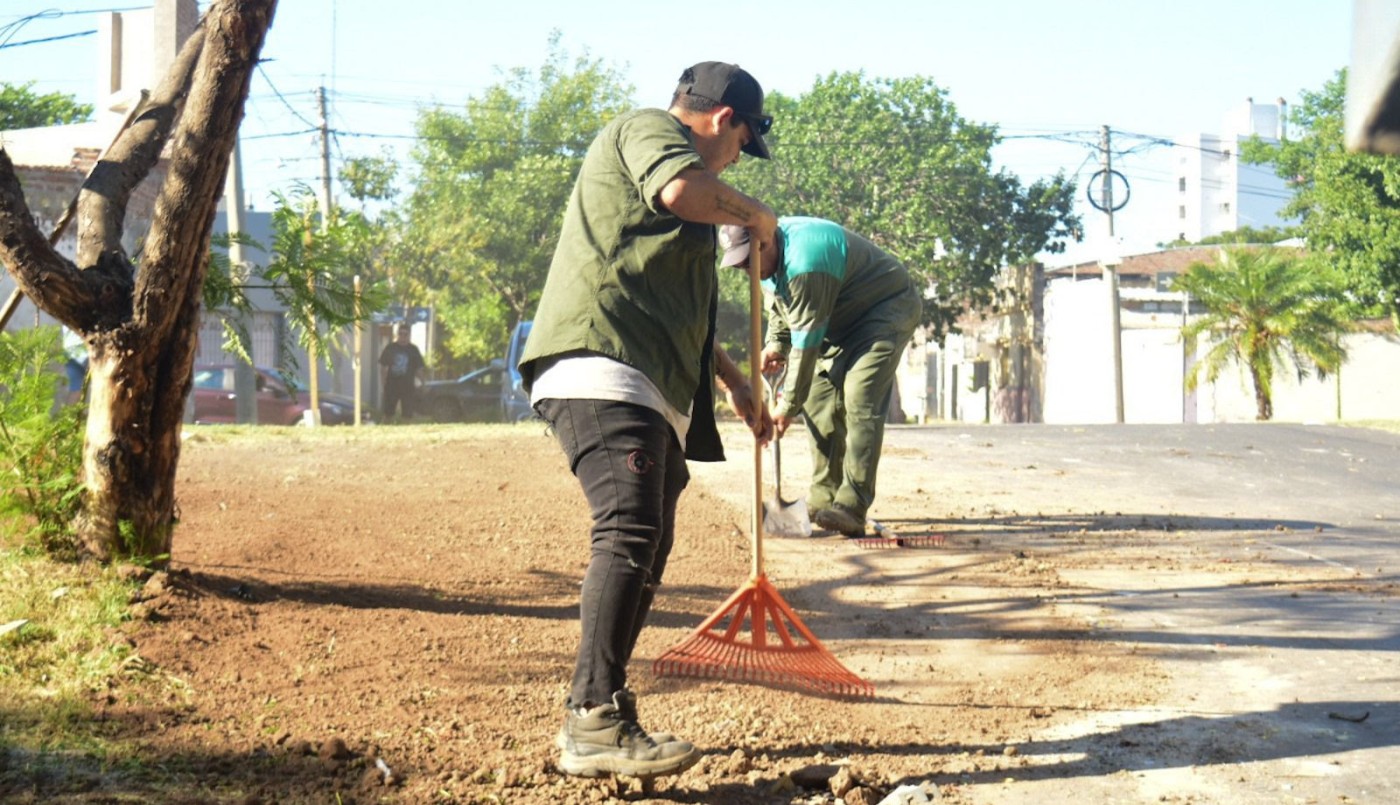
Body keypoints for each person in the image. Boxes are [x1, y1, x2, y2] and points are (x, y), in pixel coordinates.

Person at [518, 61, 777, 780]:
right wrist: (757, 216)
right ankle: (593, 717)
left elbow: (681, 313)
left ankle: (601, 710)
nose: (734, 163)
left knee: (650, 529)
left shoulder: (687, 217)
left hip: (644, 377)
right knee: (629, 525)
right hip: (600, 363)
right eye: (742, 146)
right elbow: (681, 188)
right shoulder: (649, 131)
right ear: (726, 121)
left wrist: (735, 384)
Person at [719, 216, 922, 539]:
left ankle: (852, 506)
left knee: (860, 395)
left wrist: (786, 405)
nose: (748, 269)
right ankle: (824, 496)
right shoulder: (764, 263)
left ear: (765, 242)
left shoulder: (806, 263)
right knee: (818, 399)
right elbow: (780, 306)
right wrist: (775, 343)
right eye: (741, 264)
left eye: (749, 260)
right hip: (838, 320)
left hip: (883, 311)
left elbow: (806, 346)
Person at [378, 322, 425, 421]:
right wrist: (383, 384)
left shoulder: (413, 350)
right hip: (392, 386)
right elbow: (383, 367)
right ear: (397, 334)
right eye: (401, 334)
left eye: (405, 334)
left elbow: (419, 368)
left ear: (409, 335)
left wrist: (423, 382)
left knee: (407, 415)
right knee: (388, 414)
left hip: (407, 387)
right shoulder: (390, 348)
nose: (403, 336)